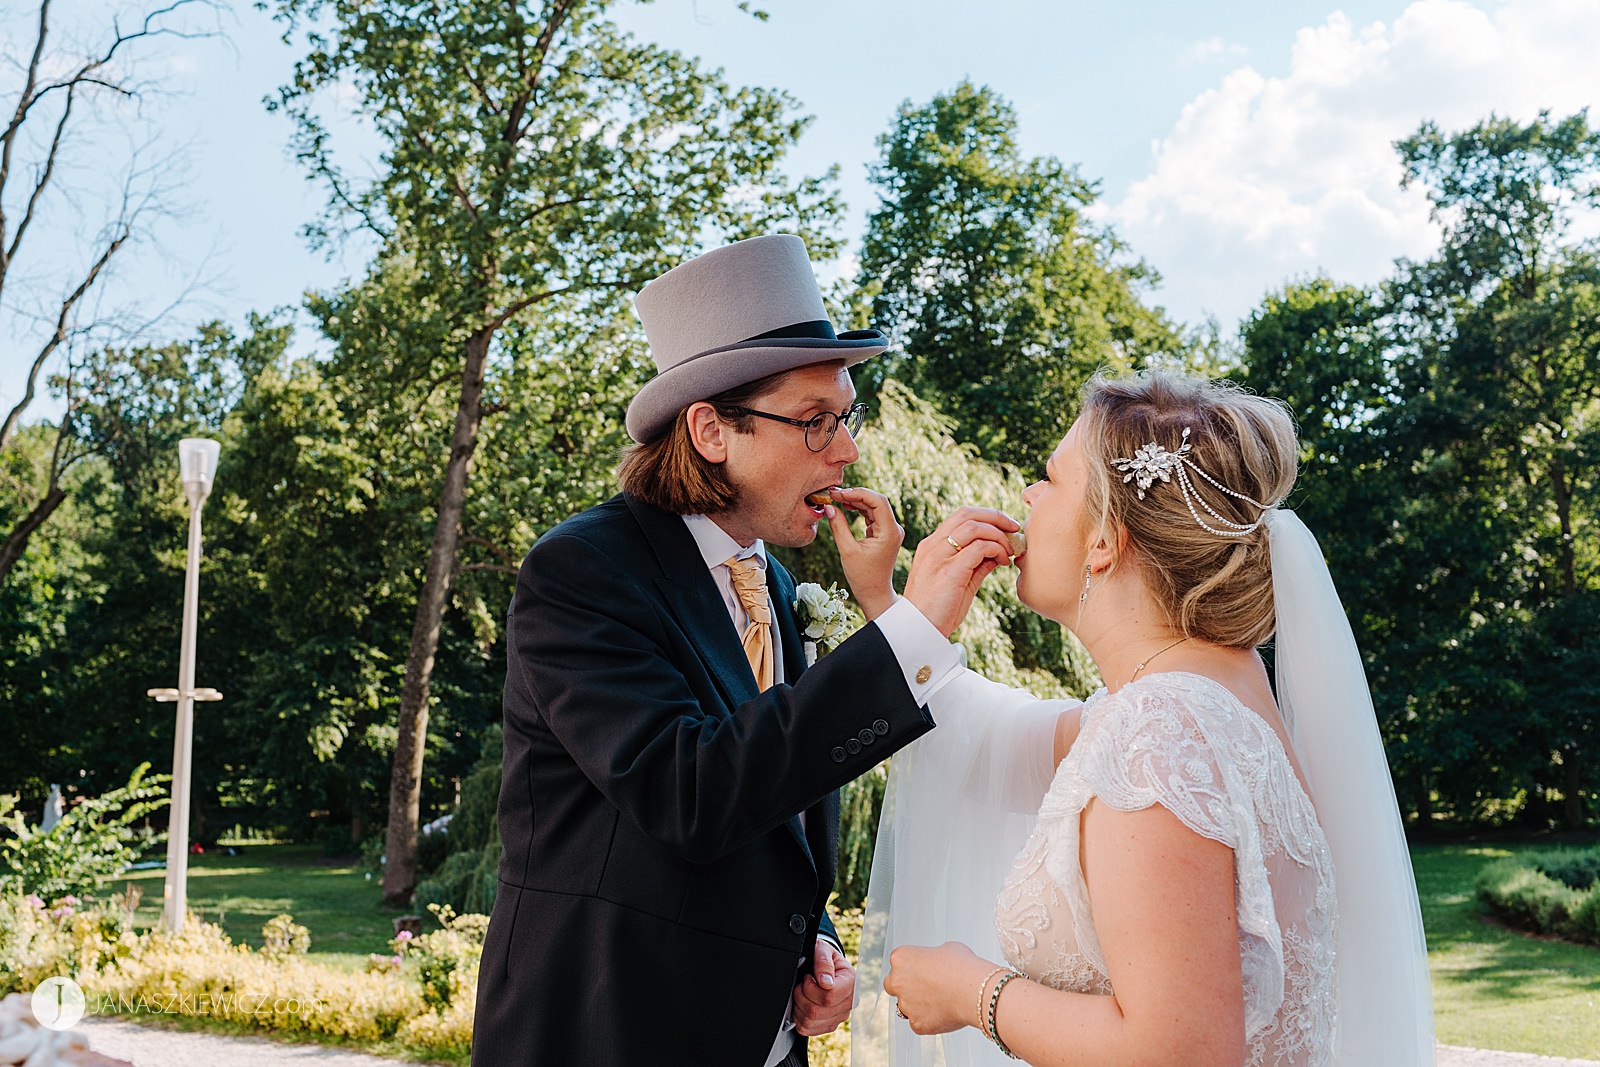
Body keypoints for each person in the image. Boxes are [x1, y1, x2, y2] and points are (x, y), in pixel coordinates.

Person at [470, 234, 1004, 1066]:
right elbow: (688, 791)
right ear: (712, 430)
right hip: (609, 1034)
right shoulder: (583, 572)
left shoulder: (780, 590)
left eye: (847, 416)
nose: (847, 449)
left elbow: (775, 799)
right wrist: (908, 634)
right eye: (815, 421)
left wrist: (813, 936)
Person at [850, 371, 1434, 1066]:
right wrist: (892, 609)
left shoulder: (1161, 728)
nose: (1029, 496)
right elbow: (991, 732)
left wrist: (970, 990)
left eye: (1051, 479)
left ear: (1104, 541)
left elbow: (1177, 1049)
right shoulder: (1206, 698)